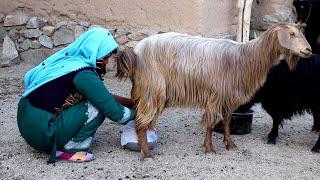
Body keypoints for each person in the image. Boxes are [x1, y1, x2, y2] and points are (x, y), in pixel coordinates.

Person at [17, 27, 140, 163]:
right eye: (105, 57)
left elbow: (103, 96)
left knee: (99, 100)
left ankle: (59, 139)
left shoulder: (71, 63)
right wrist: (143, 115)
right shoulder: (83, 74)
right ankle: (70, 148)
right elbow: (114, 112)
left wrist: (133, 103)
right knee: (98, 107)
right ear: (94, 51)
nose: (106, 62)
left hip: (29, 125)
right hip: (43, 132)